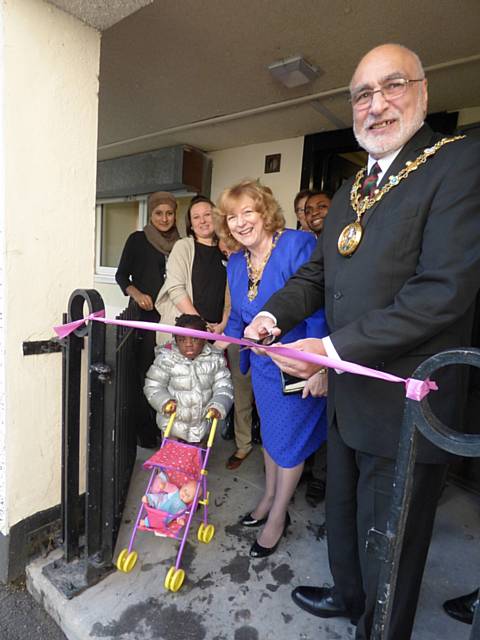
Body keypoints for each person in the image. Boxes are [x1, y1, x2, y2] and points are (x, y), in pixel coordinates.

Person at [245, 44, 480, 639]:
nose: (375, 105)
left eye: (391, 86)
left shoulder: (458, 164)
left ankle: (381, 628)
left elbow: (442, 291)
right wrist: (272, 315)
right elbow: (319, 275)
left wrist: (331, 350)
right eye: (362, 95)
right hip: (348, 398)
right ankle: (350, 597)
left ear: (422, 93)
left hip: (408, 405)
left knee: (394, 541)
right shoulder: (352, 184)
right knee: (346, 517)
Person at [214, 179, 328, 559]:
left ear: (265, 212)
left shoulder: (298, 244)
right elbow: (237, 321)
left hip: (297, 365)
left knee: (289, 445)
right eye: (232, 217)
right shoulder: (234, 261)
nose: (240, 222)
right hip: (262, 370)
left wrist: (318, 367)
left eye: (248, 212)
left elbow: (319, 308)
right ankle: (267, 497)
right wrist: (216, 345)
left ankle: (278, 516)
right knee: (272, 440)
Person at [116, 190, 180, 447]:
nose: (164, 218)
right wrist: (137, 293)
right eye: (158, 213)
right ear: (150, 214)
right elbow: (122, 276)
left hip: (172, 319)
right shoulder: (137, 239)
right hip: (145, 318)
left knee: (172, 376)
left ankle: (168, 428)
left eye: (169, 213)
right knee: (147, 374)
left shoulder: (182, 243)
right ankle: (145, 431)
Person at [144, 314, 233, 443]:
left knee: (196, 459)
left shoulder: (215, 359)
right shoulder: (166, 359)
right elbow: (153, 386)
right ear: (175, 340)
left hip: (201, 426)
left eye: (195, 339)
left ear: (204, 339)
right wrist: (164, 402)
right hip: (172, 425)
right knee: (171, 458)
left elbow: (224, 386)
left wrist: (219, 405)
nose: (188, 344)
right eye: (182, 340)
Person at [155, 195, 230, 342]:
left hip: (214, 335)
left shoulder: (226, 251)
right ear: (191, 224)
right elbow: (175, 289)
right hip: (184, 334)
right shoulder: (183, 247)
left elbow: (230, 298)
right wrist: (200, 324)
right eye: (196, 217)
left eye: (207, 215)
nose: (202, 221)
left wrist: (222, 325)